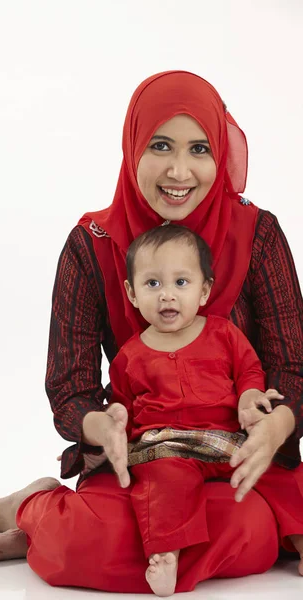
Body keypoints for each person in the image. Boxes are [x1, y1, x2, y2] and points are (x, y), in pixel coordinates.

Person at [0, 71, 303, 594]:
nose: (179, 170)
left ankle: (53, 526)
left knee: (252, 531)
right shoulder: (94, 245)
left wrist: (276, 424)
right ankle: (39, 507)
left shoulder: (256, 234)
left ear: (219, 153)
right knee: (86, 544)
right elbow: (70, 385)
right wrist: (98, 426)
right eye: (160, 145)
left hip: (233, 463)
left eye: (199, 148)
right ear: (132, 148)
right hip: (142, 466)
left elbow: (292, 366)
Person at [108, 222, 303, 596]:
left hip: (228, 438)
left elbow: (249, 369)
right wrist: (111, 428)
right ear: (131, 294)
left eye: (181, 283)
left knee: (282, 469)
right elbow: (121, 404)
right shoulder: (129, 355)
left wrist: (249, 398)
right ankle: (166, 552)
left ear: (205, 290)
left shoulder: (222, 332)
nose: (167, 296)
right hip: (167, 445)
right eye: (153, 284)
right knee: (164, 482)